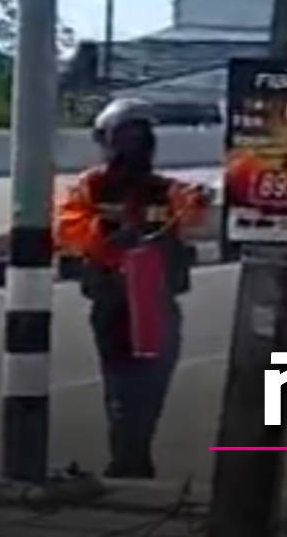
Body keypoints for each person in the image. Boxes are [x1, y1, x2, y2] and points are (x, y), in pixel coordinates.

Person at [55, 98, 210, 479]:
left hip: (157, 298)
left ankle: (136, 450)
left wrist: (202, 198)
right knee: (121, 381)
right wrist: (105, 234)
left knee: (154, 379)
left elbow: (193, 211)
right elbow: (67, 228)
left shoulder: (165, 189)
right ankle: (127, 456)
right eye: (127, 135)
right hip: (113, 298)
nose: (136, 144)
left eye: (142, 135)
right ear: (106, 140)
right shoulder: (91, 186)